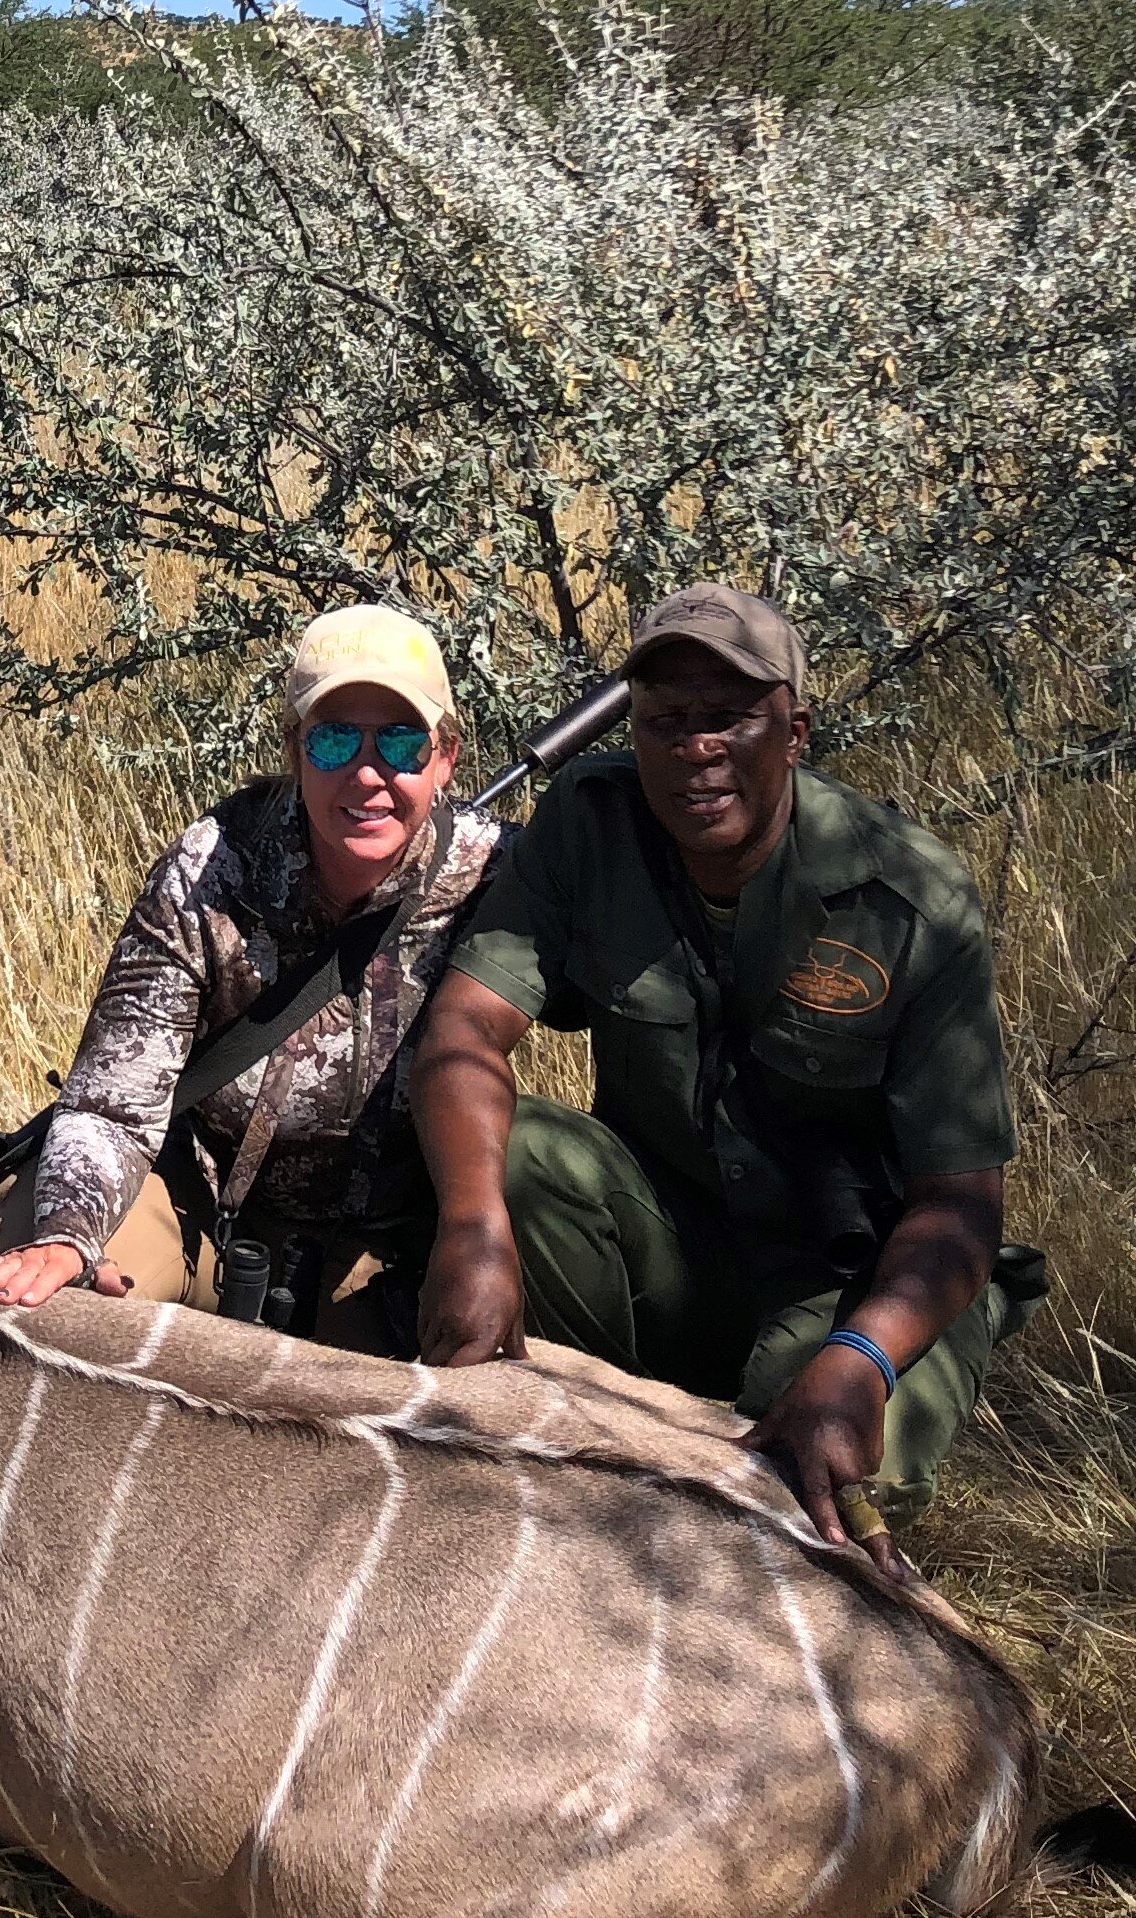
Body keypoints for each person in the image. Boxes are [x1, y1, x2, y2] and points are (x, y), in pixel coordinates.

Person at [407, 582, 1042, 1545]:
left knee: (799, 1482)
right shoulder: (591, 819)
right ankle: (578, 1457)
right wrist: (474, 1230)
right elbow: (465, 1029)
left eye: (731, 718)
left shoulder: (911, 897)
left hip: (855, 1281)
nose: (698, 749)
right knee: (521, 1157)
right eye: (668, 722)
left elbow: (960, 1201)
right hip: (673, 1244)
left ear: (795, 731)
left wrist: (861, 1358)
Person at [0, 604, 503, 1348]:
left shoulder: (497, 874)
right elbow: (113, 1109)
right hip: (198, 1210)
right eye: (335, 739)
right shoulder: (211, 866)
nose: (368, 773)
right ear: (293, 748)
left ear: (446, 757)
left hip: (382, 1251)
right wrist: (66, 1234)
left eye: (402, 742)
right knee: (47, 1299)